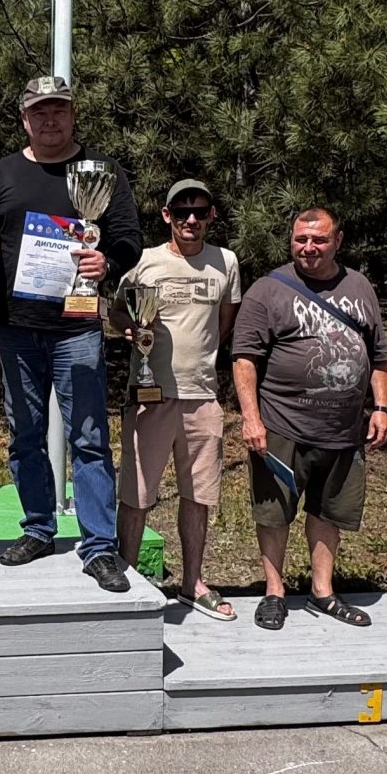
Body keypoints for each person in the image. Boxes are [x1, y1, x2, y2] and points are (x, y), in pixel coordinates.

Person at [0, 76, 143, 590]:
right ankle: (38, 528)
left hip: (76, 327)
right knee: (25, 435)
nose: (50, 119)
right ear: (24, 119)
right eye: (40, 111)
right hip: (14, 328)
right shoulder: (0, 175)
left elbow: (129, 239)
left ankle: (99, 546)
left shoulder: (100, 171)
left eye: (59, 110)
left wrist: (107, 262)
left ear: (73, 115)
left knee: (89, 438)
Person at [230, 207, 387, 632]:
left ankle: (323, 590)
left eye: (319, 239)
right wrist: (251, 419)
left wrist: (381, 407)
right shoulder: (267, 290)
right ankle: (274, 591)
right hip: (283, 425)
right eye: (301, 239)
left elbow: (379, 355)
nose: (309, 247)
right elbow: (244, 358)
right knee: (274, 513)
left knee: (328, 511)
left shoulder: (359, 286)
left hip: (343, 429)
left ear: (338, 241)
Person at [115, 180, 243, 621]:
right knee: (137, 494)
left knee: (198, 495)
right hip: (149, 396)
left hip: (202, 397)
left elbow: (224, 322)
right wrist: (131, 330)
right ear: (167, 215)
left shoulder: (226, 262)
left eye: (200, 211)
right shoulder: (144, 261)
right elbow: (118, 312)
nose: (191, 219)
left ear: (211, 216)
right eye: (182, 211)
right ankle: (127, 578)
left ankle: (192, 582)